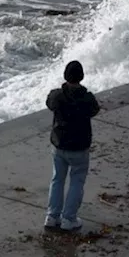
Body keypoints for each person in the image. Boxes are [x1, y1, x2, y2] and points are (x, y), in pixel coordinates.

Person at [44, 60, 100, 232]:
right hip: (79, 147)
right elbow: (94, 110)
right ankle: (69, 218)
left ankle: (52, 216)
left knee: (57, 179)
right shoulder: (87, 98)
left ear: (65, 76)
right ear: (81, 77)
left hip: (59, 145)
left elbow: (49, 103)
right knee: (76, 181)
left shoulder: (56, 96)